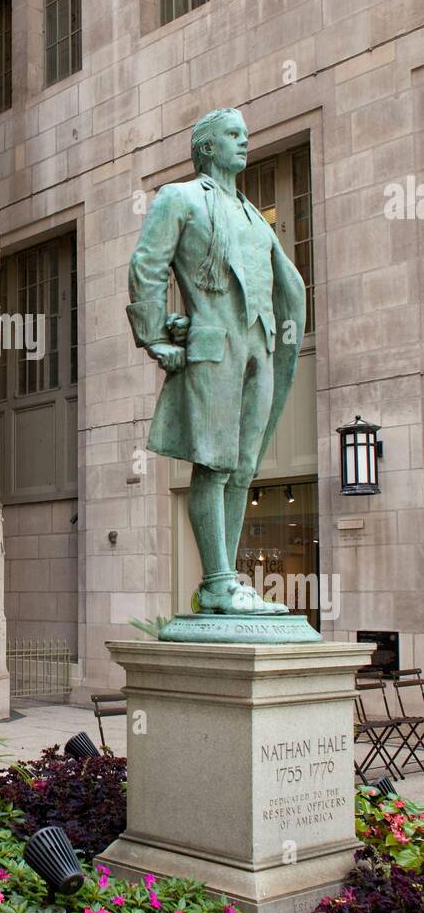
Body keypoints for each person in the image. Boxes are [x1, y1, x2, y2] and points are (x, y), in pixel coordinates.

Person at [127, 108, 306, 615]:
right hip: (211, 347)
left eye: (246, 134)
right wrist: (155, 335)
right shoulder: (179, 198)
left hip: (260, 347)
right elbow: (148, 265)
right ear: (207, 147)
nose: (244, 142)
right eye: (233, 135)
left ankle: (224, 582)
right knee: (215, 462)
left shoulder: (253, 214)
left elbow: (283, 282)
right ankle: (219, 581)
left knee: (245, 466)